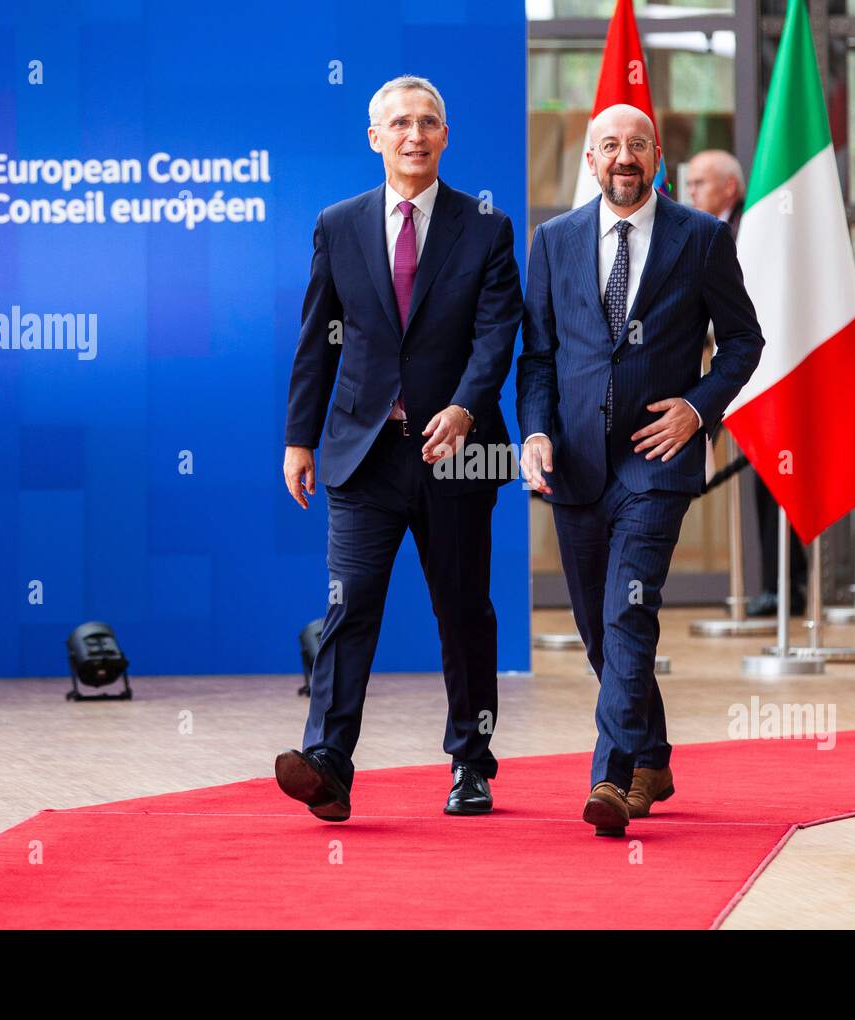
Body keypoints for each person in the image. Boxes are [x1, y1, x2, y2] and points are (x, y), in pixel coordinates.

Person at [279, 75, 523, 822]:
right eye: (399, 124)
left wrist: (463, 408)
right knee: (348, 607)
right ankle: (327, 762)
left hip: (459, 453)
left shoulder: (486, 226)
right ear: (374, 137)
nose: (414, 135)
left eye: (428, 123)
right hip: (362, 452)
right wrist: (299, 437)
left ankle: (471, 763)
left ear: (445, 136)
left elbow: (496, 336)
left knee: (463, 610)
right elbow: (317, 340)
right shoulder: (338, 223)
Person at [517, 106, 764, 837]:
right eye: (611, 146)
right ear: (590, 160)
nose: (625, 158)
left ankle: (613, 777)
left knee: (629, 611)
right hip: (575, 464)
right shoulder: (553, 241)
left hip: (657, 461)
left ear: (658, 155)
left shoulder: (702, 238)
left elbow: (744, 342)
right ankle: (652, 752)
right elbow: (537, 356)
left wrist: (698, 408)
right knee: (598, 628)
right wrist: (534, 430)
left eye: (638, 146)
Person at [686, 148, 806, 616]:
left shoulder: (748, 231)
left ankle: (788, 586)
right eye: (689, 183)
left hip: (768, 374)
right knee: (756, 480)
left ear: (729, 188)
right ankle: (776, 585)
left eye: (700, 182)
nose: (690, 191)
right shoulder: (703, 232)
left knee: (772, 480)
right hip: (737, 375)